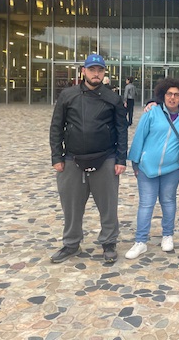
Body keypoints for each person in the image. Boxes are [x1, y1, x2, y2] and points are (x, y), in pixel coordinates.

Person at [49, 54, 128, 264]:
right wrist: (56, 156)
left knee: (108, 205)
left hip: (106, 158)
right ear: (83, 71)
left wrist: (121, 159)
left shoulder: (113, 98)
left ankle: (109, 242)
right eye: (92, 70)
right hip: (72, 160)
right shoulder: (68, 95)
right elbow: (56, 127)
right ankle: (71, 243)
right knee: (71, 206)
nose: (96, 74)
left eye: (100, 70)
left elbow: (122, 130)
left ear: (104, 73)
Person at [125, 78, 179, 259]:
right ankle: (140, 241)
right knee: (146, 204)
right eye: (169, 94)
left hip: (173, 168)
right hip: (148, 168)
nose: (172, 98)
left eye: (176, 95)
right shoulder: (152, 112)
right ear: (163, 96)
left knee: (168, 201)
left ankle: (167, 235)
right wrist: (135, 161)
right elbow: (139, 136)